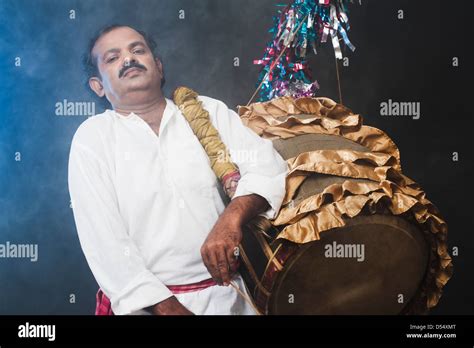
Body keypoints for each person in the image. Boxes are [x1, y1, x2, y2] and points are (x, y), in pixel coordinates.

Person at [68, 24, 287, 315]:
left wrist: (231, 219)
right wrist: (166, 307)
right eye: (112, 57)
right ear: (98, 85)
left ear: (158, 67)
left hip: (230, 298)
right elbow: (103, 241)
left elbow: (269, 168)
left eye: (137, 50)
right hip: (147, 308)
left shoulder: (206, 112)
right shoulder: (93, 137)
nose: (128, 59)